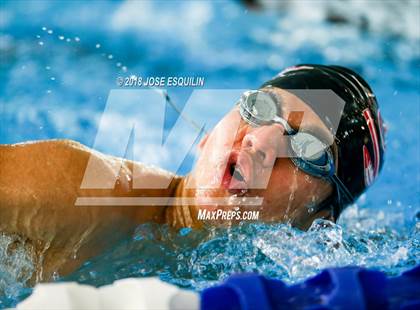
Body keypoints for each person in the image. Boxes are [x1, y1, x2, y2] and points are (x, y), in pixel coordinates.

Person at [0, 64, 385, 282]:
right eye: (260, 108)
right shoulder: (75, 186)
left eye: (308, 150)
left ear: (316, 222)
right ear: (207, 136)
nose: (262, 141)